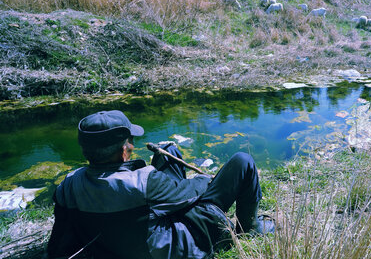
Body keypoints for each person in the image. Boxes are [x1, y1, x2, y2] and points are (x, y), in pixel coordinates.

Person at [47, 110, 273, 259]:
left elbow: (60, 238)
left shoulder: (68, 185)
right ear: (124, 150)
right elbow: (186, 192)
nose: (133, 146)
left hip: (127, 236)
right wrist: (204, 180)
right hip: (166, 247)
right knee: (243, 161)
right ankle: (248, 228)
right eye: (130, 141)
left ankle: (170, 153)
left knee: (169, 150)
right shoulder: (143, 182)